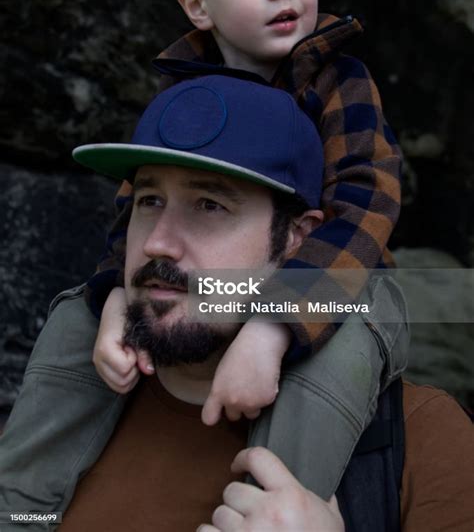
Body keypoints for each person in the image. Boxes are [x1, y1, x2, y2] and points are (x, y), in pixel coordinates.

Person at [0, 0, 408, 520]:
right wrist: (118, 300)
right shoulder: (186, 100)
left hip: (349, 278)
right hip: (223, 283)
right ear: (197, 4)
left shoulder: (341, 82)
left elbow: (367, 208)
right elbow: (136, 211)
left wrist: (273, 327)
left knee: (343, 349)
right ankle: (17, 508)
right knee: (78, 316)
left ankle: (273, 507)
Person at [7, 75, 474, 532]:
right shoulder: (62, 407)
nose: (159, 244)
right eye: (149, 200)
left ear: (298, 240)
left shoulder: (421, 437)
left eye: (209, 205)